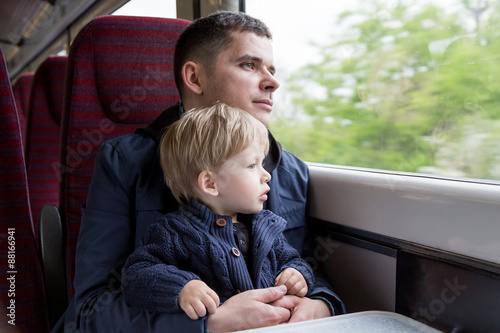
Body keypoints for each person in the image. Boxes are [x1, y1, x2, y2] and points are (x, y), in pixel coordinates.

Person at [54, 10, 345, 333]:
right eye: (249, 65)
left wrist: (320, 304)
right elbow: (91, 311)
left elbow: (301, 264)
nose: (273, 82)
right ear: (194, 78)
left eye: (272, 70)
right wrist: (209, 324)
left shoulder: (291, 171)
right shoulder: (124, 163)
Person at [121, 103, 314, 320]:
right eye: (252, 166)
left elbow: (292, 260)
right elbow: (136, 274)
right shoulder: (174, 231)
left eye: (263, 164)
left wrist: (298, 274)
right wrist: (182, 288)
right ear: (210, 183)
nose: (266, 175)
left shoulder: (266, 228)